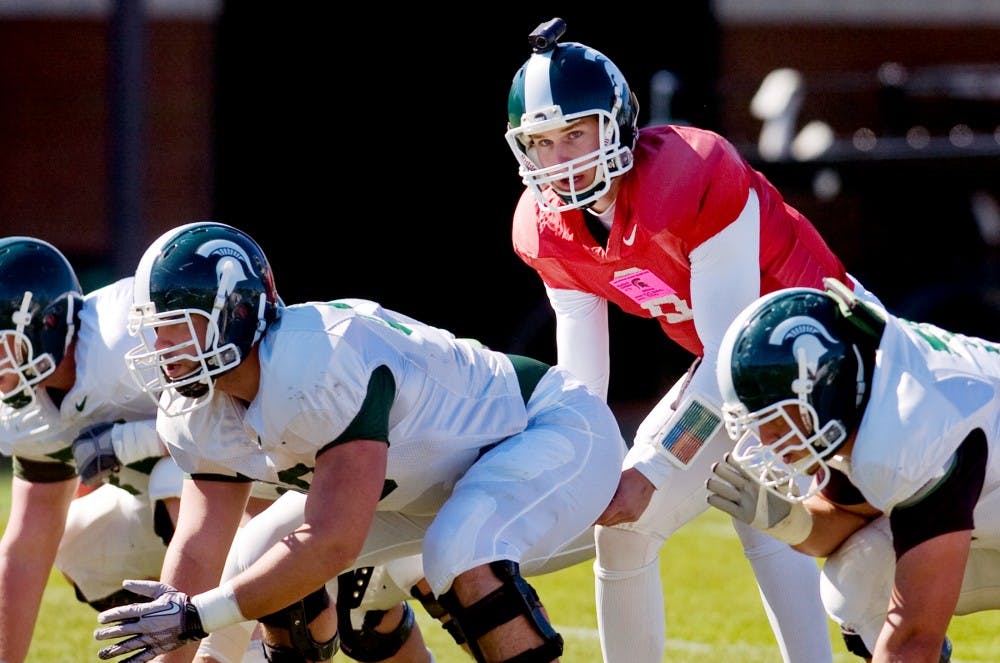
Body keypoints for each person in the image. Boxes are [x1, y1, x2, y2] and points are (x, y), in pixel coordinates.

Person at [503, 17, 885, 663]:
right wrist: (565, 467)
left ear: (617, 123)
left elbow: (732, 362)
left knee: (857, 559)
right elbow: (582, 390)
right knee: (627, 533)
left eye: (576, 133)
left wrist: (653, 467)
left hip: (837, 356)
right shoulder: (546, 230)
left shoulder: (689, 172)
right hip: (744, 373)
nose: (563, 159)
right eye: (544, 142)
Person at [92, 221, 626, 663]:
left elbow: (332, 541)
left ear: (237, 311)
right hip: (427, 486)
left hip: (548, 429)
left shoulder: (320, 359)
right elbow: (199, 546)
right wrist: (172, 631)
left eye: (177, 326)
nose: (161, 347)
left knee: (461, 548)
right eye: (154, 329)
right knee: (259, 554)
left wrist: (197, 618)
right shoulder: (195, 407)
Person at [705, 277, 999, 662]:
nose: (768, 441)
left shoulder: (910, 427)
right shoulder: (866, 395)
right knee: (857, 581)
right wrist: (785, 521)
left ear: (822, 387)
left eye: (776, 422)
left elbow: (911, 640)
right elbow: (848, 516)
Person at [0, 236, 185, 663]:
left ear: (45, 325)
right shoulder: (29, 405)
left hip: (266, 495)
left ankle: (233, 635)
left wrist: (127, 441)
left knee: (174, 476)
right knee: (77, 540)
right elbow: (28, 542)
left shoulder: (127, 337)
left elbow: (234, 423)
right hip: (172, 512)